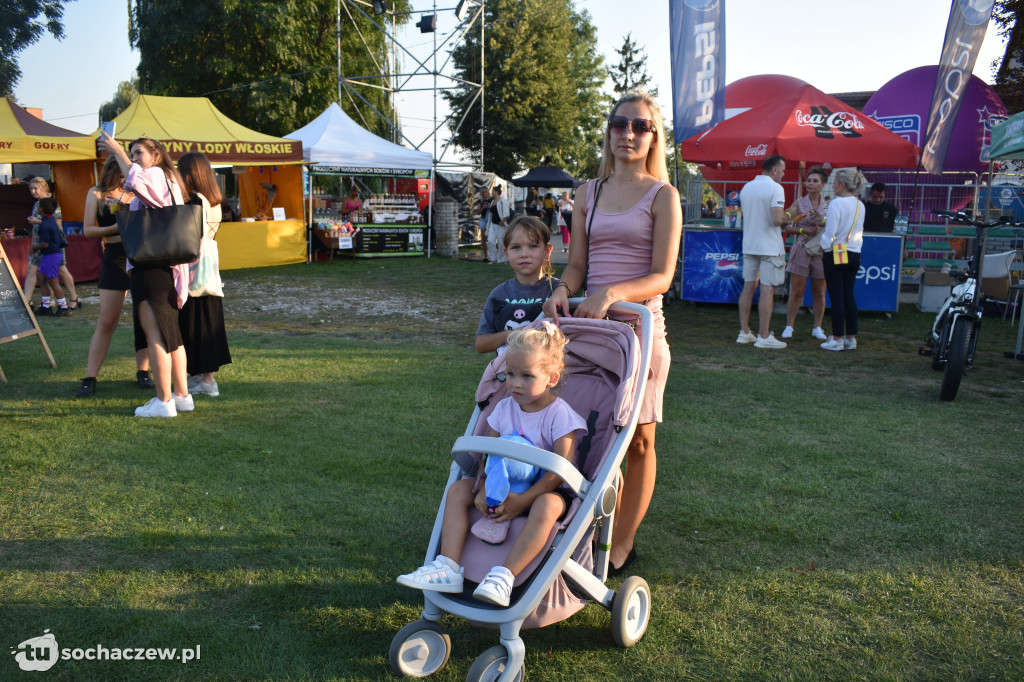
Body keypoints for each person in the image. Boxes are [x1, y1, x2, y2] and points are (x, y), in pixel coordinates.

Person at [542, 90, 682, 575]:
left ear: (653, 136)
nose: (628, 134)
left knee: (638, 441)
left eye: (640, 126)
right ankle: (567, 528)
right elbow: (578, 264)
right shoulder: (589, 192)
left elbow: (663, 275)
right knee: (585, 433)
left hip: (640, 332)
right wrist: (563, 288)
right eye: (619, 124)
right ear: (609, 131)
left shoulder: (664, 196)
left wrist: (613, 292)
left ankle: (621, 546)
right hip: (589, 330)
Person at [397, 323, 587, 607]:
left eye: (526, 376)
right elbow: (489, 454)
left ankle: (504, 576)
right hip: (498, 484)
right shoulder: (504, 408)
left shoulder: (560, 416)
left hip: (543, 490)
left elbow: (559, 472)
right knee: (459, 490)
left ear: (552, 378)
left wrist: (523, 500)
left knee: (549, 504)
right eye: (509, 374)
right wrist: (484, 486)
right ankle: (447, 566)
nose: (515, 384)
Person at [100, 133, 193, 418]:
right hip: (166, 265)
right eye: (132, 153)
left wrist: (116, 149)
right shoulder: (169, 178)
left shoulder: (152, 174)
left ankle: (163, 400)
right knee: (171, 335)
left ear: (155, 155)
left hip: (151, 266)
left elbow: (135, 180)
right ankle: (181, 395)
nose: (134, 158)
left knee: (156, 334)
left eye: (139, 152)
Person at [76, 156, 152, 397]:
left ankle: (143, 372)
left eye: (127, 173)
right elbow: (88, 230)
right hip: (116, 255)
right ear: (109, 170)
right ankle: (90, 377)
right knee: (107, 320)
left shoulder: (137, 190)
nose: (124, 178)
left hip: (141, 255)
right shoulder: (96, 194)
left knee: (145, 320)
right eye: (120, 173)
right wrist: (115, 228)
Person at [177, 151, 232, 396]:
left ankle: (205, 379)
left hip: (193, 269)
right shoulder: (215, 201)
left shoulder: (195, 200)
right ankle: (202, 376)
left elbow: (189, 236)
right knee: (206, 322)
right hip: (208, 269)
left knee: (196, 322)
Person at [476, 215, 560, 354]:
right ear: (506, 252)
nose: (524, 254)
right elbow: (481, 344)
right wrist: (519, 333)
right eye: (516, 247)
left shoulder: (559, 290)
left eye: (533, 246)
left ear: (547, 251)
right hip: (509, 374)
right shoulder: (499, 294)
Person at [737, 155, 790, 349]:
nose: (784, 174)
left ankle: (744, 332)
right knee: (768, 290)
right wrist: (790, 215)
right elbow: (777, 219)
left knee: (748, 287)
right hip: (769, 247)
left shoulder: (747, 187)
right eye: (783, 170)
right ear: (774, 170)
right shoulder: (776, 188)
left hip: (750, 244)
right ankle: (764, 336)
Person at [818, 167, 867, 351]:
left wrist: (821, 247)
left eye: (835, 183)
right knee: (849, 295)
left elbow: (831, 233)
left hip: (837, 251)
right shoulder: (860, 204)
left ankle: (837, 338)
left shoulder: (837, 204)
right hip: (854, 252)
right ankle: (850, 337)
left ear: (842, 185)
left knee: (836, 296)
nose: (833, 186)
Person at [782, 166, 830, 342]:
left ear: (823, 184)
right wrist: (803, 230)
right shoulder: (798, 203)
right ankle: (789, 326)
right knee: (797, 291)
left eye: (815, 181)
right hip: (801, 249)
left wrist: (821, 220)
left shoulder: (829, 205)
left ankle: (817, 327)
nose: (811, 183)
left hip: (820, 252)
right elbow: (786, 225)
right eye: (809, 180)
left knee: (819, 291)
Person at [24, 177, 82, 314]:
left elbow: (56, 225)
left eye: (35, 188)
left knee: (61, 270)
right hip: (38, 242)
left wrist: (37, 222)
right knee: (32, 270)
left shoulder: (52, 204)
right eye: (31, 189)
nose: (33, 191)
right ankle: (28, 301)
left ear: (44, 188)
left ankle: (74, 297)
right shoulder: (36, 205)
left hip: (52, 243)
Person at [30, 198, 70, 316]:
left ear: (41, 209)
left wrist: (34, 247)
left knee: (53, 281)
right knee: (42, 279)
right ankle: (45, 306)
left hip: (51, 254)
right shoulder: (49, 219)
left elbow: (45, 244)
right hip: (50, 255)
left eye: (38, 206)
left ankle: (63, 306)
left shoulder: (44, 225)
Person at [489, 185, 510, 264]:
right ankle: (493, 259)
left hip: (500, 224)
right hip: (492, 224)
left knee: (501, 242)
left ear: (497, 192)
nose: (492, 193)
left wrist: (503, 220)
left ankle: (502, 260)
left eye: (493, 191)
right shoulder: (492, 201)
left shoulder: (503, 200)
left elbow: (506, 211)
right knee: (490, 241)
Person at [477, 186, 492, 263]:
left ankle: (492, 255)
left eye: (486, 191)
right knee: (483, 238)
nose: (485, 193)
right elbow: (478, 212)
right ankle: (486, 255)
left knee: (491, 238)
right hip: (483, 219)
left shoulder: (492, 199)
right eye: (483, 192)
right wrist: (483, 207)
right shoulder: (480, 201)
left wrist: (490, 207)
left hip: (490, 219)